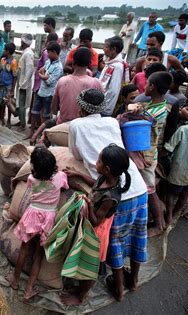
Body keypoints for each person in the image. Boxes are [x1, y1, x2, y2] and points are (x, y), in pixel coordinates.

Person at [68, 88, 148, 302]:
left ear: (81, 108)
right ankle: (135, 280)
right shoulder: (112, 122)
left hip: (122, 197)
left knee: (114, 242)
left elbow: (75, 154)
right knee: (139, 235)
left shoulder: (75, 125)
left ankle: (119, 289)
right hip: (138, 188)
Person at [62, 144, 131, 305]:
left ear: (107, 168)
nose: (95, 162)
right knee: (82, 257)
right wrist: (77, 174)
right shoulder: (105, 178)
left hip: (97, 232)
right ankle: (78, 287)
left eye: (99, 160)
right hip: (91, 224)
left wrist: (89, 204)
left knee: (91, 267)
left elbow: (95, 221)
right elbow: (95, 183)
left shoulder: (110, 197)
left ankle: (81, 295)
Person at [6, 146, 68, 301]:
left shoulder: (31, 179)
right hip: (48, 219)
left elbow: (34, 188)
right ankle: (28, 290)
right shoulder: (60, 177)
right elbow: (66, 186)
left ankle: (15, 280)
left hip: (32, 215)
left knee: (24, 250)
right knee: (38, 256)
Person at [132, 71, 173, 237]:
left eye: (148, 84)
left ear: (153, 87)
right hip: (145, 152)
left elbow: (143, 121)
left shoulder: (157, 111)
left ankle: (158, 224)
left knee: (150, 190)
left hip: (147, 155)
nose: (145, 87)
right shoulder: (155, 106)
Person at [163, 98, 188, 225]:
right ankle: (176, 213)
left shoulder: (184, 129)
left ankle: (168, 214)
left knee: (170, 193)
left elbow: (168, 148)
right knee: (185, 194)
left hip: (178, 169)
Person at [51, 47, 102, 125]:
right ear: (89, 64)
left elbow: (54, 109)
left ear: (73, 63)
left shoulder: (62, 81)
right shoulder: (96, 83)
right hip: (84, 127)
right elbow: (100, 109)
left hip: (63, 125)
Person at [31, 41, 62, 136]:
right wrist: (44, 75)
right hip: (41, 91)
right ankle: (32, 131)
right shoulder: (48, 62)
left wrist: (43, 75)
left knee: (45, 115)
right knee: (34, 112)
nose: (47, 54)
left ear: (55, 52)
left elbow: (49, 81)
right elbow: (41, 72)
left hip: (49, 94)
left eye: (49, 52)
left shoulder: (59, 67)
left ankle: (43, 135)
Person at [99, 36, 129, 116]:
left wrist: (103, 104)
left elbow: (113, 90)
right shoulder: (110, 62)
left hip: (105, 106)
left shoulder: (117, 66)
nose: (103, 49)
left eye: (106, 47)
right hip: (101, 101)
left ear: (114, 49)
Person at [16, 34, 35, 131]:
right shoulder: (26, 52)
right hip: (22, 81)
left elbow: (30, 70)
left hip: (24, 83)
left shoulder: (28, 54)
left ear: (23, 42)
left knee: (22, 104)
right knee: (20, 102)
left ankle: (22, 124)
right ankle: (20, 120)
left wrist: (24, 83)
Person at [0, 42, 18, 127]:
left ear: (8, 51)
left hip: (8, 86)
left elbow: (15, 77)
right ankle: (2, 119)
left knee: (8, 104)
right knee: (1, 103)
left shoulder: (13, 62)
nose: (3, 51)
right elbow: (1, 72)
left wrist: (12, 89)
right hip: (2, 85)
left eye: (4, 50)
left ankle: (9, 120)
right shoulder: (2, 60)